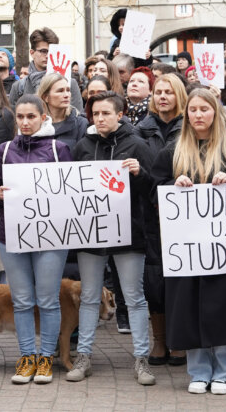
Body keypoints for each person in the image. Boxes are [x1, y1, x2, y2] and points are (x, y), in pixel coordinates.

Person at [152, 88, 226, 396]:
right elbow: (154, 191)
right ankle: (199, 371)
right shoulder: (172, 152)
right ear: (186, 114)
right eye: (193, 110)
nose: (198, 115)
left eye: (204, 109)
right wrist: (172, 185)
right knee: (190, 309)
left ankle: (225, 373)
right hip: (188, 250)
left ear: (215, 113)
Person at [68, 91, 155, 385]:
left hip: (129, 232)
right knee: (90, 296)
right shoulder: (82, 146)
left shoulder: (137, 145)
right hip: (91, 234)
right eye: (95, 113)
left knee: (134, 297)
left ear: (120, 114)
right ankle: (83, 355)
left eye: (106, 113)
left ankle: (142, 359)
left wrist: (140, 173)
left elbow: (155, 188)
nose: (100, 118)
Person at [0, 94, 72, 385]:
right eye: (20, 117)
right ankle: (27, 358)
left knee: (48, 300)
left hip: (51, 236)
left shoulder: (59, 149)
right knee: (22, 300)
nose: (24, 122)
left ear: (43, 117)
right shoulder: (4, 149)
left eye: (30, 117)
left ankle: (46, 357)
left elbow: (71, 190)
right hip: (13, 235)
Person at [136, 73, 188, 368]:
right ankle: (159, 339)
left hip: (186, 215)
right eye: (158, 92)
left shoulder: (190, 128)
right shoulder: (140, 130)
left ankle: (179, 339)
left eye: (169, 91)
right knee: (155, 279)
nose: (163, 96)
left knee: (180, 279)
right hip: (151, 213)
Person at [9, 28, 84, 113]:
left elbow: (78, 118)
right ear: (32, 53)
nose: (48, 56)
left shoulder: (70, 84)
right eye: (43, 51)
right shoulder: (19, 87)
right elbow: (14, 120)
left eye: (52, 51)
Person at [37, 72, 88, 151]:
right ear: (46, 97)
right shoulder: (36, 124)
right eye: (60, 91)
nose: (66, 95)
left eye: (68, 90)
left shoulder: (81, 124)